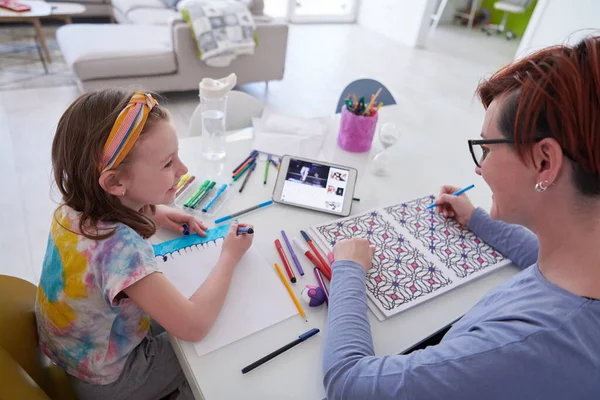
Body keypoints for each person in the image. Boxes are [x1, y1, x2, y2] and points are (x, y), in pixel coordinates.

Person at [323, 36, 600, 399]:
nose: (479, 168)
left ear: (544, 162)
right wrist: (478, 220)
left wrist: (348, 268)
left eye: (486, 148)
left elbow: (349, 382)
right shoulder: (581, 263)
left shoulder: (522, 346)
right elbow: (543, 257)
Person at [36, 89, 253, 400]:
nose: (183, 170)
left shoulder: (70, 210)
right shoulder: (121, 251)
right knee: (215, 343)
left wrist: (159, 215)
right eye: (168, 164)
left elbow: (113, 215)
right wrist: (229, 257)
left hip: (73, 355)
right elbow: (193, 326)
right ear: (114, 183)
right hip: (111, 381)